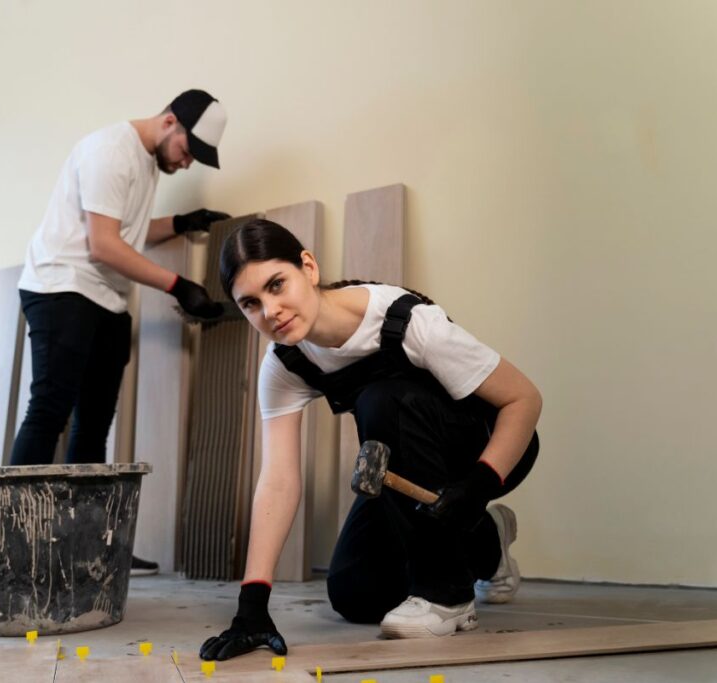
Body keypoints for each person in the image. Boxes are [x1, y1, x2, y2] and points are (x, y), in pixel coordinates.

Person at [200, 219, 541, 660]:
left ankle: (448, 594)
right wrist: (252, 605)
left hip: (488, 450)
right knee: (355, 592)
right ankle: (486, 541)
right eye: (250, 303)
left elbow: (523, 401)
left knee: (381, 400)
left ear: (308, 267)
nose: (271, 311)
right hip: (408, 467)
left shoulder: (406, 320)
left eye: (277, 284)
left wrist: (477, 487)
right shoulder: (286, 362)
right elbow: (280, 480)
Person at [12, 89, 231, 576]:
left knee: (93, 425)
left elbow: (126, 231)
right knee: (49, 411)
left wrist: (181, 222)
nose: (189, 162)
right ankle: (13, 546)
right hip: (61, 287)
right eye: (188, 149)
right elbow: (105, 245)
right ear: (170, 121)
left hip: (105, 298)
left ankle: (88, 548)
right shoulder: (110, 151)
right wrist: (179, 285)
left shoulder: (147, 162)